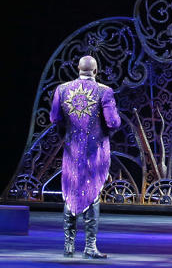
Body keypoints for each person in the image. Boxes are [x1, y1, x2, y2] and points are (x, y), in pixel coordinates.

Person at [50, 55, 121, 259]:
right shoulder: (104, 91)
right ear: (96, 71)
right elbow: (113, 122)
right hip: (95, 150)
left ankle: (68, 246)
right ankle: (90, 248)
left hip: (72, 148)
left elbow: (55, 118)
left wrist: (68, 130)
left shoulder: (62, 90)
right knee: (92, 193)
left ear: (78, 69)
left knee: (71, 191)